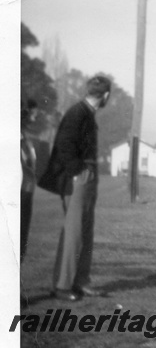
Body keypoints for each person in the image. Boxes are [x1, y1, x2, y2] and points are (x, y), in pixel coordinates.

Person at [39, 75, 111, 302]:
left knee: (86, 232)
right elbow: (64, 144)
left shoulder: (86, 113)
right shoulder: (78, 113)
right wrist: (77, 170)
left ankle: (80, 281)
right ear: (106, 95)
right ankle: (62, 286)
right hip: (79, 177)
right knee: (74, 232)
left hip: (88, 175)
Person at [20, 99, 39, 263]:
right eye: (31, 113)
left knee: (22, 234)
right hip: (18, 190)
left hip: (26, 189)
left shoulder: (24, 136)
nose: (34, 117)